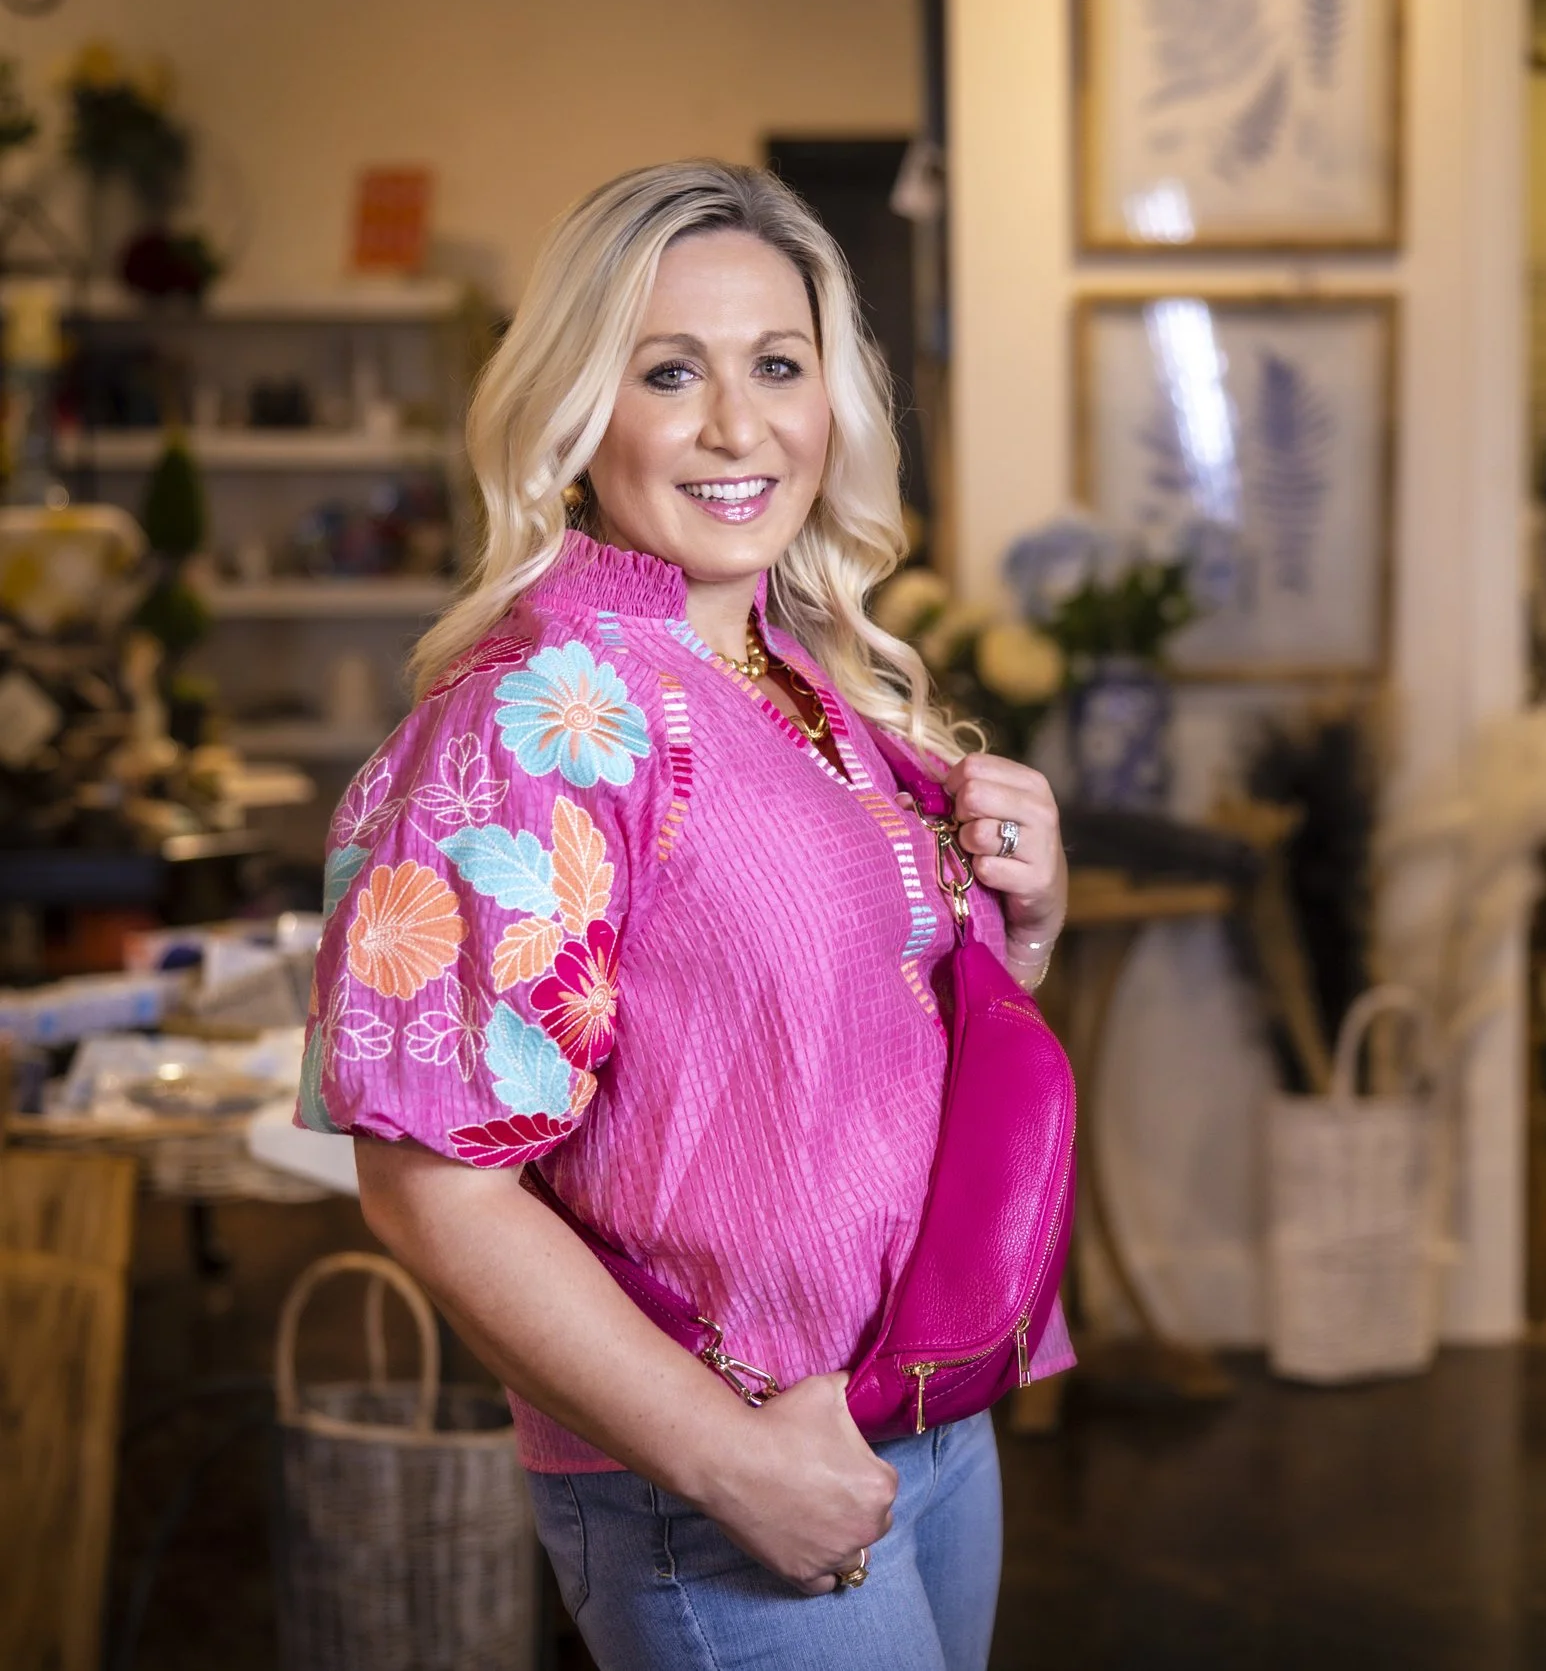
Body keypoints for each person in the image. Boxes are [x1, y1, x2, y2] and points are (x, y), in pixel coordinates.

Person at [299, 159, 1071, 1670]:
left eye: (778, 366)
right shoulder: (538, 717)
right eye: (672, 372)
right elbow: (426, 1180)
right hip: (721, 1473)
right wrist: (728, 1464)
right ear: (581, 413)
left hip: (912, 1430)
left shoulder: (804, 675)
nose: (740, 425)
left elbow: (835, 1037)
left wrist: (1017, 933)